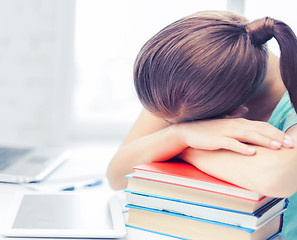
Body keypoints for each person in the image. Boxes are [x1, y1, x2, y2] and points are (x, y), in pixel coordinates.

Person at [106, 11, 297, 238]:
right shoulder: (188, 77)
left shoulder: (211, 81)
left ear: (236, 113)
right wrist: (180, 135)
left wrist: (181, 149)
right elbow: (117, 175)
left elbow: (279, 177)